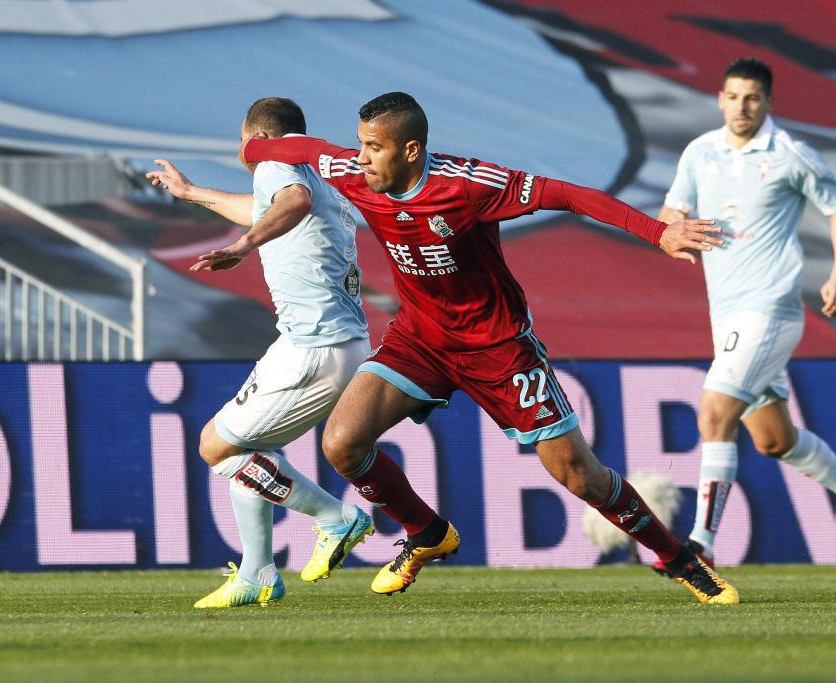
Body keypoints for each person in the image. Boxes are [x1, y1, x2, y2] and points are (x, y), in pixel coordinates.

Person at [242, 91, 739, 605]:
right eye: (360, 144)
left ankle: (679, 559)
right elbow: (297, 149)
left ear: (411, 150)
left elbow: (568, 195)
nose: (360, 158)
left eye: (373, 147)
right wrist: (252, 151)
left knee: (578, 475)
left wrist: (657, 232)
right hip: (421, 340)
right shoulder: (352, 169)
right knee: (342, 443)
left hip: (498, 348)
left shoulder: (469, 185)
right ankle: (427, 533)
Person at [146, 97, 374, 608]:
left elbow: (287, 202)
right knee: (250, 453)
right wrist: (190, 194)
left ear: (253, 136)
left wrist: (244, 246)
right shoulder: (322, 178)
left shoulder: (276, 166)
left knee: (216, 447)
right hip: (339, 343)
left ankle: (335, 518)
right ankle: (256, 573)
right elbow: (270, 207)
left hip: (313, 348)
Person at [656, 57, 836, 567]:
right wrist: (672, 229)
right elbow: (674, 210)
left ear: (769, 103)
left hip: (771, 309)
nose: (742, 106)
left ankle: (700, 546)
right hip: (728, 315)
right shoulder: (700, 153)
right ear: (720, 99)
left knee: (714, 413)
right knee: (775, 439)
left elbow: (833, 205)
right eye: (734, 96)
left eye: (753, 98)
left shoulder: (790, 154)